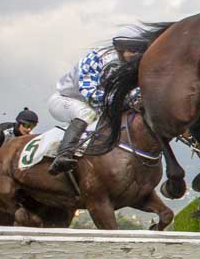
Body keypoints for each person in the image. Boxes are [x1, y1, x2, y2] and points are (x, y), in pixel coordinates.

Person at [47, 36, 149, 174]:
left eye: (140, 52)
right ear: (122, 49)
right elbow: (90, 93)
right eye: (134, 51)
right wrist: (124, 102)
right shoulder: (96, 58)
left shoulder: (134, 65)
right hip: (66, 99)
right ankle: (63, 155)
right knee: (87, 113)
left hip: (97, 105)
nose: (137, 56)